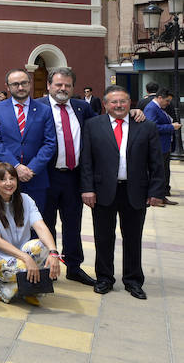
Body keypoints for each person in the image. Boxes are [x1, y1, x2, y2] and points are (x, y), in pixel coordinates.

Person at [80, 85, 164, 299]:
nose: (118, 105)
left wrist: (156, 191)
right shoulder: (92, 126)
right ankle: (104, 278)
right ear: (106, 104)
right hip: (102, 191)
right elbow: (86, 161)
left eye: (123, 101)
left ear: (130, 103)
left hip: (135, 191)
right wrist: (87, 189)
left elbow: (156, 162)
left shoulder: (146, 126)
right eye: (114, 102)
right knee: (103, 237)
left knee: (133, 238)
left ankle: (133, 280)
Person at [33, 67, 97, 286]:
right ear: (49, 86)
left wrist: (134, 114)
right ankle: (45, 267)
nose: (62, 88)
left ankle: (74, 267)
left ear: (73, 88)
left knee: (72, 224)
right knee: (44, 224)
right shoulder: (37, 107)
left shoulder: (82, 108)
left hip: (73, 177)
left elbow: (100, 128)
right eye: (58, 84)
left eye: (67, 85)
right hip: (46, 176)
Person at [0, 162, 61, 305]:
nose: (8, 183)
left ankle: (22, 287)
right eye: (2, 179)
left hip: (16, 252)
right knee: (23, 268)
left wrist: (54, 252)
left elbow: (41, 227)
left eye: (12, 178)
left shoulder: (25, 199)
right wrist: (26, 258)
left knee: (43, 246)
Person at [0, 68, 56, 213]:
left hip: (35, 177)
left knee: (34, 225)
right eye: (15, 84)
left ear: (30, 84)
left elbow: (50, 143)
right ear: (8, 87)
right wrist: (16, 167)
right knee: (5, 224)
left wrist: (32, 169)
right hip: (5, 178)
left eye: (24, 83)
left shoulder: (44, 110)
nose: (21, 87)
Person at [143, 88, 180, 206]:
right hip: (158, 146)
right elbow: (152, 127)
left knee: (164, 172)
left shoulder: (158, 108)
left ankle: (162, 196)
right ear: (159, 98)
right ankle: (156, 197)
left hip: (164, 146)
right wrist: (171, 127)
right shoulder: (151, 108)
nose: (168, 104)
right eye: (167, 101)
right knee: (158, 172)